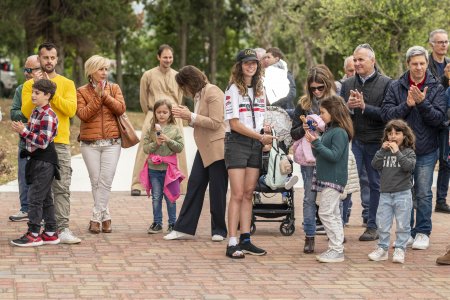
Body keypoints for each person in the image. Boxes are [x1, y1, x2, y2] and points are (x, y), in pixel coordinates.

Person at [381, 45, 446, 250]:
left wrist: (422, 103)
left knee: (424, 193)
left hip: (426, 150)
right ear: (408, 64)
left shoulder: (436, 87)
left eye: (422, 63)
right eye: (414, 63)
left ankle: (423, 232)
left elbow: (439, 119)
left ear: (427, 64)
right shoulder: (396, 86)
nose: (418, 67)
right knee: (404, 193)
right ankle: (406, 232)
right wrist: (407, 105)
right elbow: (387, 115)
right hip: (401, 151)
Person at [21, 42, 81, 244]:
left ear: (57, 59)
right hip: (38, 147)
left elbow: (71, 111)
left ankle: (62, 229)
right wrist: (38, 88)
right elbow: (26, 112)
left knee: (62, 187)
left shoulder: (67, 83)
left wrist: (49, 92)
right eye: (45, 57)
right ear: (39, 60)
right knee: (41, 191)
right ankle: (45, 230)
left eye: (52, 57)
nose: (49, 61)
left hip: (60, 143)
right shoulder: (29, 86)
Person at [164, 65, 228, 241]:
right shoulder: (199, 95)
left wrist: (190, 116)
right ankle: (183, 227)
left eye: (183, 86)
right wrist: (188, 116)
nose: (183, 91)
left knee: (218, 190)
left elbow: (216, 122)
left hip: (217, 148)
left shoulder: (213, 92)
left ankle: (219, 231)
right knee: (195, 186)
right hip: (205, 148)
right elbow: (201, 121)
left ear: (189, 82)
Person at [224, 48, 274, 259]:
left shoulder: (261, 91)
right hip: (237, 143)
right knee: (236, 194)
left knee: (248, 193)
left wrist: (266, 131)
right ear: (240, 66)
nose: (251, 66)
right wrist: (258, 136)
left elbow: (261, 119)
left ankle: (246, 239)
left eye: (254, 63)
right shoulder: (233, 89)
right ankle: (232, 241)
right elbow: (234, 124)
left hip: (255, 143)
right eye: (246, 63)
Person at [340, 43, 392, 242]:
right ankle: (339, 225)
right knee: (344, 183)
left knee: (375, 184)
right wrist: (348, 107)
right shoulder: (347, 84)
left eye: (361, 59)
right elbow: (338, 115)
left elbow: (388, 114)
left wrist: (364, 106)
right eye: (355, 59)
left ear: (373, 60)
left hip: (376, 141)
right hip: (353, 141)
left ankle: (372, 226)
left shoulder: (387, 83)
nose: (357, 63)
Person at [76, 55, 126, 234]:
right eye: (101, 69)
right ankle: (106, 217)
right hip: (89, 143)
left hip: (112, 142)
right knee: (96, 181)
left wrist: (104, 94)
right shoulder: (81, 91)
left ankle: (95, 217)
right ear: (91, 71)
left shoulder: (114, 88)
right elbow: (83, 114)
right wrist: (98, 97)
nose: (104, 73)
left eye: (106, 69)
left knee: (105, 181)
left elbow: (120, 108)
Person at [290, 65, 336, 254]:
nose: (316, 91)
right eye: (313, 88)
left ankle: (335, 237)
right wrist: (305, 127)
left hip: (330, 155)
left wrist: (324, 127)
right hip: (309, 158)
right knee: (309, 198)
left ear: (328, 85)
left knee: (333, 199)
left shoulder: (335, 103)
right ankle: (309, 237)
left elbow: (345, 131)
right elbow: (293, 134)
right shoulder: (303, 104)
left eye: (320, 88)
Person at [131, 44, 187, 196]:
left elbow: (180, 97)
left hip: (174, 114)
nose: (168, 60)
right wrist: (150, 114)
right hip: (153, 113)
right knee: (146, 145)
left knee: (177, 146)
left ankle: (179, 184)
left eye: (170, 57)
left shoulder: (177, 76)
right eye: (165, 57)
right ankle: (137, 184)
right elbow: (143, 98)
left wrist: (176, 112)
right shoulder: (148, 75)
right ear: (158, 57)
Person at [10, 79, 60, 247]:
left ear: (47, 95)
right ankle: (51, 233)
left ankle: (33, 234)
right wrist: (23, 128)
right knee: (45, 198)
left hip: (45, 161)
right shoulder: (36, 112)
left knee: (35, 198)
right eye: (33, 92)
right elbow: (34, 133)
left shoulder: (48, 115)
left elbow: (43, 141)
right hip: (37, 159)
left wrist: (23, 131)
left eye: (37, 93)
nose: (33, 95)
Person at [305, 95, 353, 263]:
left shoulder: (339, 132)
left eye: (323, 112)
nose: (321, 115)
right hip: (327, 178)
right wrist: (315, 143)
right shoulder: (329, 131)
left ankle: (336, 249)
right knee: (331, 213)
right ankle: (336, 247)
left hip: (334, 179)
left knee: (325, 212)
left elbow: (334, 156)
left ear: (334, 112)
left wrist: (318, 144)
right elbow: (320, 155)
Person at [368, 119, 416, 264]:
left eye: (397, 133)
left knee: (403, 224)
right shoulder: (384, 152)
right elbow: (374, 164)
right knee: (382, 223)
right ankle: (382, 249)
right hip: (385, 194)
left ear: (405, 135)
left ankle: (400, 249)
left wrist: (397, 153)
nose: (393, 136)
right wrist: (382, 150)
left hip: (403, 194)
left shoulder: (408, 152)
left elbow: (409, 167)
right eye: (390, 133)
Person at [142, 99, 184, 234]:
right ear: (154, 113)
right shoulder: (151, 129)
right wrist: (156, 144)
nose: (161, 115)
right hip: (154, 169)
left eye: (165, 112)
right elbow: (146, 148)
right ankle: (157, 223)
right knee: (156, 196)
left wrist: (168, 140)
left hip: (169, 169)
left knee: (170, 197)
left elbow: (179, 148)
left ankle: (173, 223)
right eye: (159, 112)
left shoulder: (175, 129)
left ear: (170, 113)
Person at [9, 55, 42, 222]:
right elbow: (14, 113)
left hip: (44, 142)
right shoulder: (21, 89)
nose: (29, 73)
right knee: (23, 176)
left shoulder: (50, 87)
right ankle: (25, 208)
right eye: (27, 69)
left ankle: (43, 213)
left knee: (43, 179)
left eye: (33, 69)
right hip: (25, 141)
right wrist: (25, 114)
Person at [428, 29, 450, 214]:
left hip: (446, 121)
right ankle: (421, 195)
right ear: (431, 44)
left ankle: (441, 200)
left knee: (446, 161)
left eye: (446, 41)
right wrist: (445, 79)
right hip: (428, 119)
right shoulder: (424, 65)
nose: (443, 44)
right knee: (427, 158)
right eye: (440, 42)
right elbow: (432, 90)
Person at [262, 47, 297, 113]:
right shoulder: (265, 74)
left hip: (285, 111)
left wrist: (275, 104)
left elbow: (292, 93)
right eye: (265, 57)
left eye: (268, 57)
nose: (266, 59)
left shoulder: (285, 73)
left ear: (276, 59)